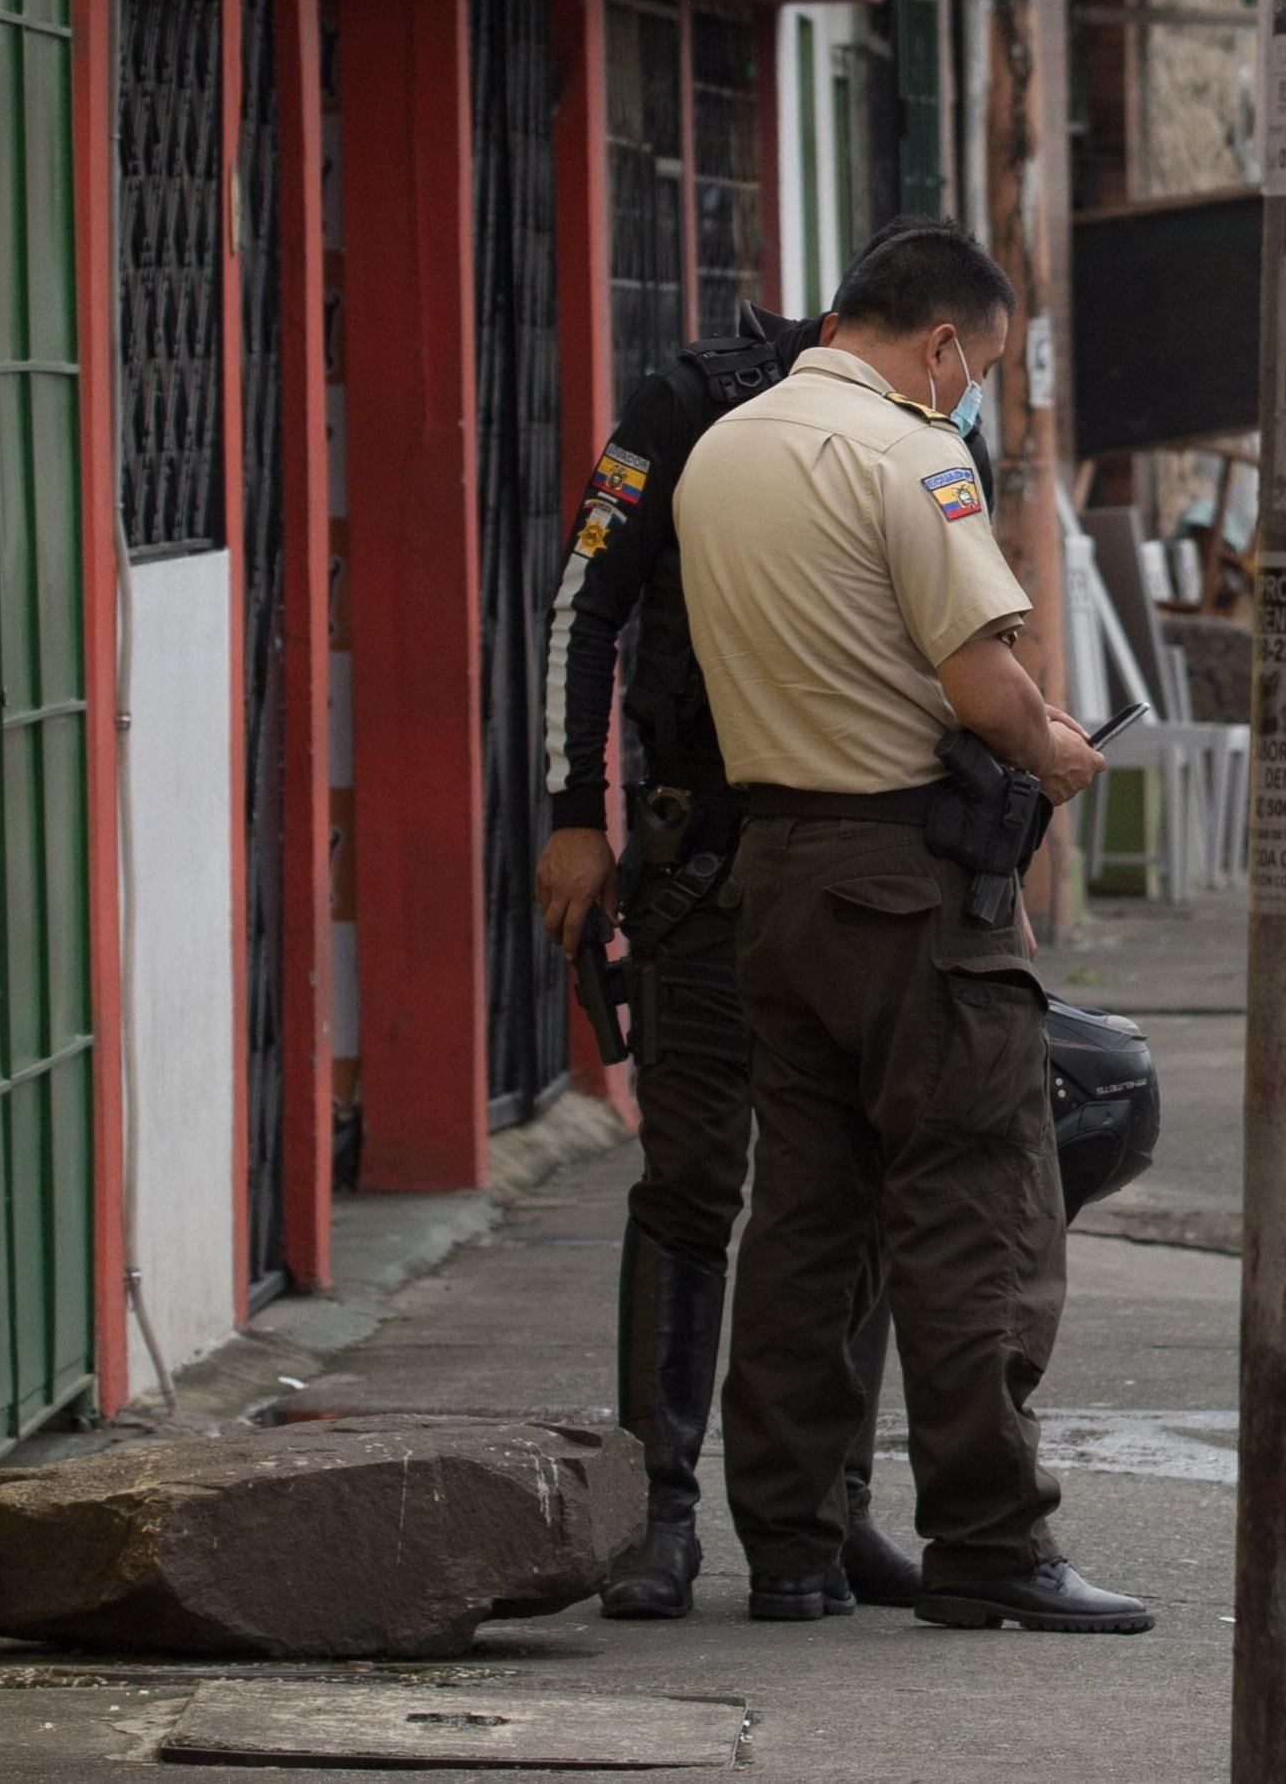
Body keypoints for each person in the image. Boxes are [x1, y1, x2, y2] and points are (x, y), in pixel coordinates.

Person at [673, 219, 1150, 1632]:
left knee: (807, 1221)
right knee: (976, 1209)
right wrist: (1057, 748)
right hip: (907, 890)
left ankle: (792, 1544)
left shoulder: (725, 449)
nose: (973, 397)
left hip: (774, 872)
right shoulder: (907, 449)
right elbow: (978, 677)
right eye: (981, 369)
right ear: (942, 341)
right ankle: (991, 1546)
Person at [533, 297, 921, 1622]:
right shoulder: (691, 405)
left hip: (869, 864)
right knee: (694, 1178)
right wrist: (572, 820)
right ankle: (661, 1513)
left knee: (851, 1192)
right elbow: (585, 606)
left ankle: (830, 1513)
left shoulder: (921, 423)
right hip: (708, 863)